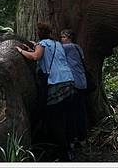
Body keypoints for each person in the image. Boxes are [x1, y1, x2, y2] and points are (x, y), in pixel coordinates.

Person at [16, 22, 75, 161]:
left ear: (40, 33)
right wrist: (32, 47)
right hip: (69, 81)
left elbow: (36, 57)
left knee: (55, 119)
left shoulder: (42, 44)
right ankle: (70, 145)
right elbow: (45, 55)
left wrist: (21, 51)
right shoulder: (58, 44)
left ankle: (64, 152)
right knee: (65, 116)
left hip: (56, 83)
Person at [60, 29, 89, 144]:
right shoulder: (78, 47)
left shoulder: (68, 47)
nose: (61, 39)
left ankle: (73, 137)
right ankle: (82, 136)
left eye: (63, 37)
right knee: (81, 110)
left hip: (74, 83)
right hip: (82, 82)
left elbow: (51, 48)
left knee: (72, 111)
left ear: (69, 38)